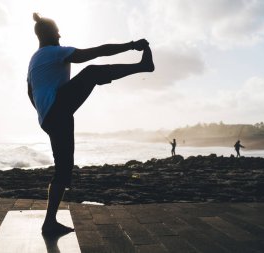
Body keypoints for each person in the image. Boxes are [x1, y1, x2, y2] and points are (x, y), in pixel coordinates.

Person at [27, 13, 154, 236]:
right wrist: (131, 45)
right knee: (93, 72)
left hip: (49, 118)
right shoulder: (55, 52)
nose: (60, 34)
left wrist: (42, 111)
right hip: (57, 110)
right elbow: (97, 52)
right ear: (47, 34)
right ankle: (143, 66)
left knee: (63, 170)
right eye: (56, 31)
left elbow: (29, 90)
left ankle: (49, 222)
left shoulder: (35, 59)